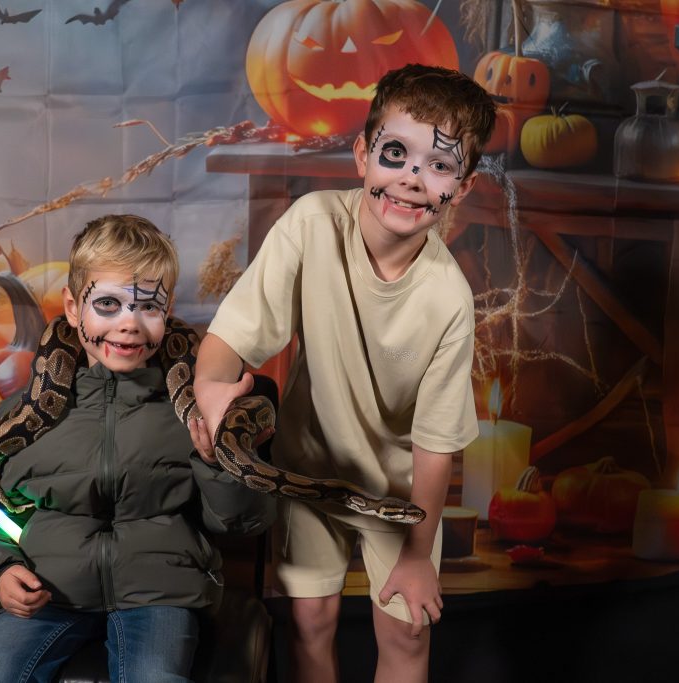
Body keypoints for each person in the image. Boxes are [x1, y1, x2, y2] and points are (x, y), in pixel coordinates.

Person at [189, 64, 496, 683]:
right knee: (311, 621)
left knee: (407, 629)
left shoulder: (448, 300)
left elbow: (436, 446)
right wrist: (210, 390)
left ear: (462, 187)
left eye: (439, 165)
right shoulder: (311, 224)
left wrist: (418, 554)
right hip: (308, 467)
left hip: (402, 496)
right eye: (395, 154)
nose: (412, 179)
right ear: (362, 155)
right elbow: (231, 336)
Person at [0, 214, 275, 683]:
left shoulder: (195, 410)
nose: (129, 325)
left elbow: (244, 522)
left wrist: (218, 461)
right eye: (108, 304)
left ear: (168, 311)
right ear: (73, 307)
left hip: (160, 593)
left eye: (149, 308)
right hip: (49, 590)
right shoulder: (19, 417)